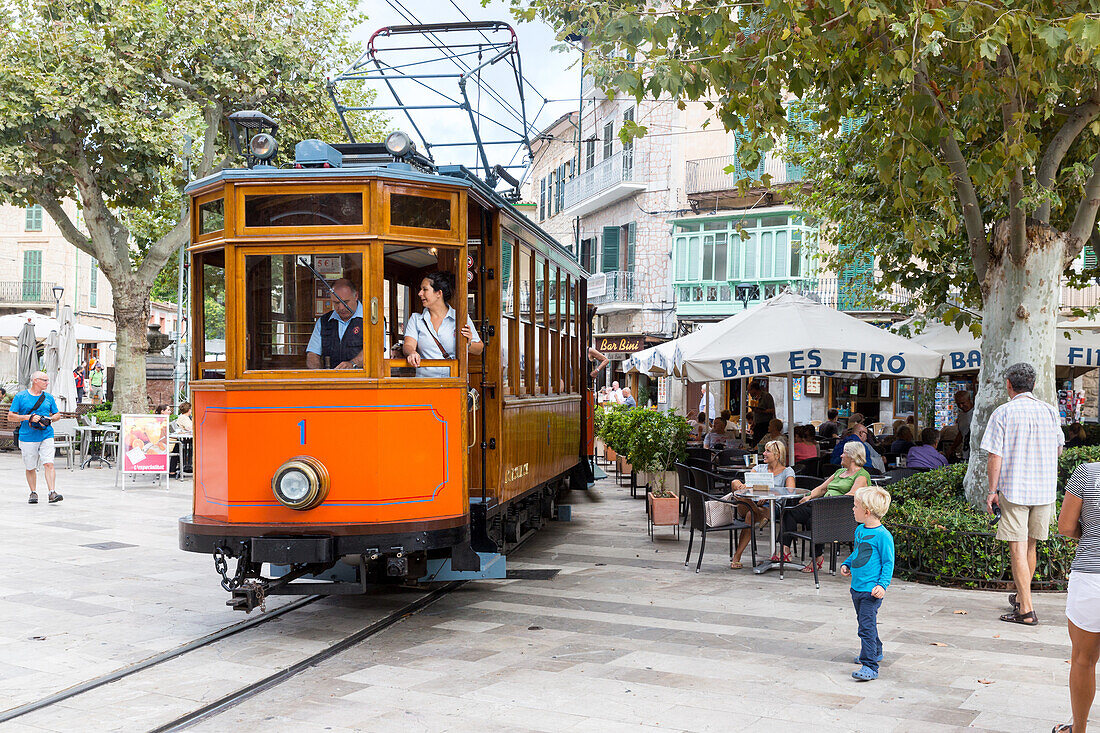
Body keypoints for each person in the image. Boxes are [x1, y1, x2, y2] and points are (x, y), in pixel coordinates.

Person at [982, 361, 1064, 626]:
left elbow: (995, 456)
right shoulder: (1050, 412)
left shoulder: (1003, 412)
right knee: (1030, 546)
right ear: (1034, 384)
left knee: (1017, 547)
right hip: (1043, 489)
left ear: (1009, 385)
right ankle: (1020, 599)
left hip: (1014, 487)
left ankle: (1026, 610)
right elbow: (1059, 449)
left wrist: (991, 491)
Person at [1055, 462, 1100, 733]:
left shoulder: (1088, 472)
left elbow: (1065, 526)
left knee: (1083, 659)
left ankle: (1079, 729)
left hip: (1092, 577)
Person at [779, 440, 871, 572]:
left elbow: (851, 495)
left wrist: (826, 503)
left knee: (814, 520)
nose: (841, 455)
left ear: (852, 456)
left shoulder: (862, 475)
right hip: (821, 507)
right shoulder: (840, 472)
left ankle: (817, 557)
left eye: (844, 453)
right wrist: (809, 496)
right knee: (789, 512)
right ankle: (784, 549)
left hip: (839, 513)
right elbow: (822, 489)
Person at [840, 486, 895, 682]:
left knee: (865, 627)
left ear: (867, 511)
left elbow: (888, 563)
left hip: (871, 591)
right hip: (857, 587)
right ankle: (876, 650)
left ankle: (870, 665)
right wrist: (847, 563)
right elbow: (858, 552)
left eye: (855, 506)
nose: (852, 510)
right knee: (867, 624)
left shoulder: (883, 536)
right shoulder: (860, 530)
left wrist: (882, 585)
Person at [726, 440, 796, 569]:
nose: (763, 453)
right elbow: (747, 486)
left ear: (777, 454)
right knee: (735, 482)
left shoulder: (787, 471)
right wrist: (747, 489)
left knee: (749, 516)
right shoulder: (758, 468)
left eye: (767, 451)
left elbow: (790, 490)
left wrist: (768, 494)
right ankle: (757, 512)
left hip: (772, 506)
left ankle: (737, 556)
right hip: (752, 502)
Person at [403, 271, 483, 378]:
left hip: (454, 382)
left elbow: (479, 349)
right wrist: (412, 353)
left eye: (425, 289)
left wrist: (468, 344)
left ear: (439, 293)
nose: (420, 293)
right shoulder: (416, 319)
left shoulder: (460, 318)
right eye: (420, 289)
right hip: (425, 384)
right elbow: (408, 345)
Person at [8, 371, 62, 505]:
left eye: (47, 380)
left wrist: (50, 419)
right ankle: (33, 492)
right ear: (35, 380)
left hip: (46, 434)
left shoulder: (48, 397)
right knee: (30, 466)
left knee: (49, 463)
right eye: (44, 380)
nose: (47, 383)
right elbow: (10, 416)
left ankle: (52, 492)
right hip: (27, 436)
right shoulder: (21, 396)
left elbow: (57, 415)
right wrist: (28, 417)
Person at [306, 278, 364, 370]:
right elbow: (313, 354)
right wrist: (317, 375)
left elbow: (374, 350)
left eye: (345, 302)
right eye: (336, 303)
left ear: (356, 295)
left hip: (363, 381)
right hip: (331, 381)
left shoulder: (371, 320)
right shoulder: (323, 321)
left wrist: (352, 364)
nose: (341, 308)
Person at [949, 390, 974, 459]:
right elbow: (961, 433)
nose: (961, 406)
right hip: (965, 452)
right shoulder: (961, 415)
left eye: (963, 403)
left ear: (969, 400)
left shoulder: (976, 413)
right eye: (958, 404)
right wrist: (952, 448)